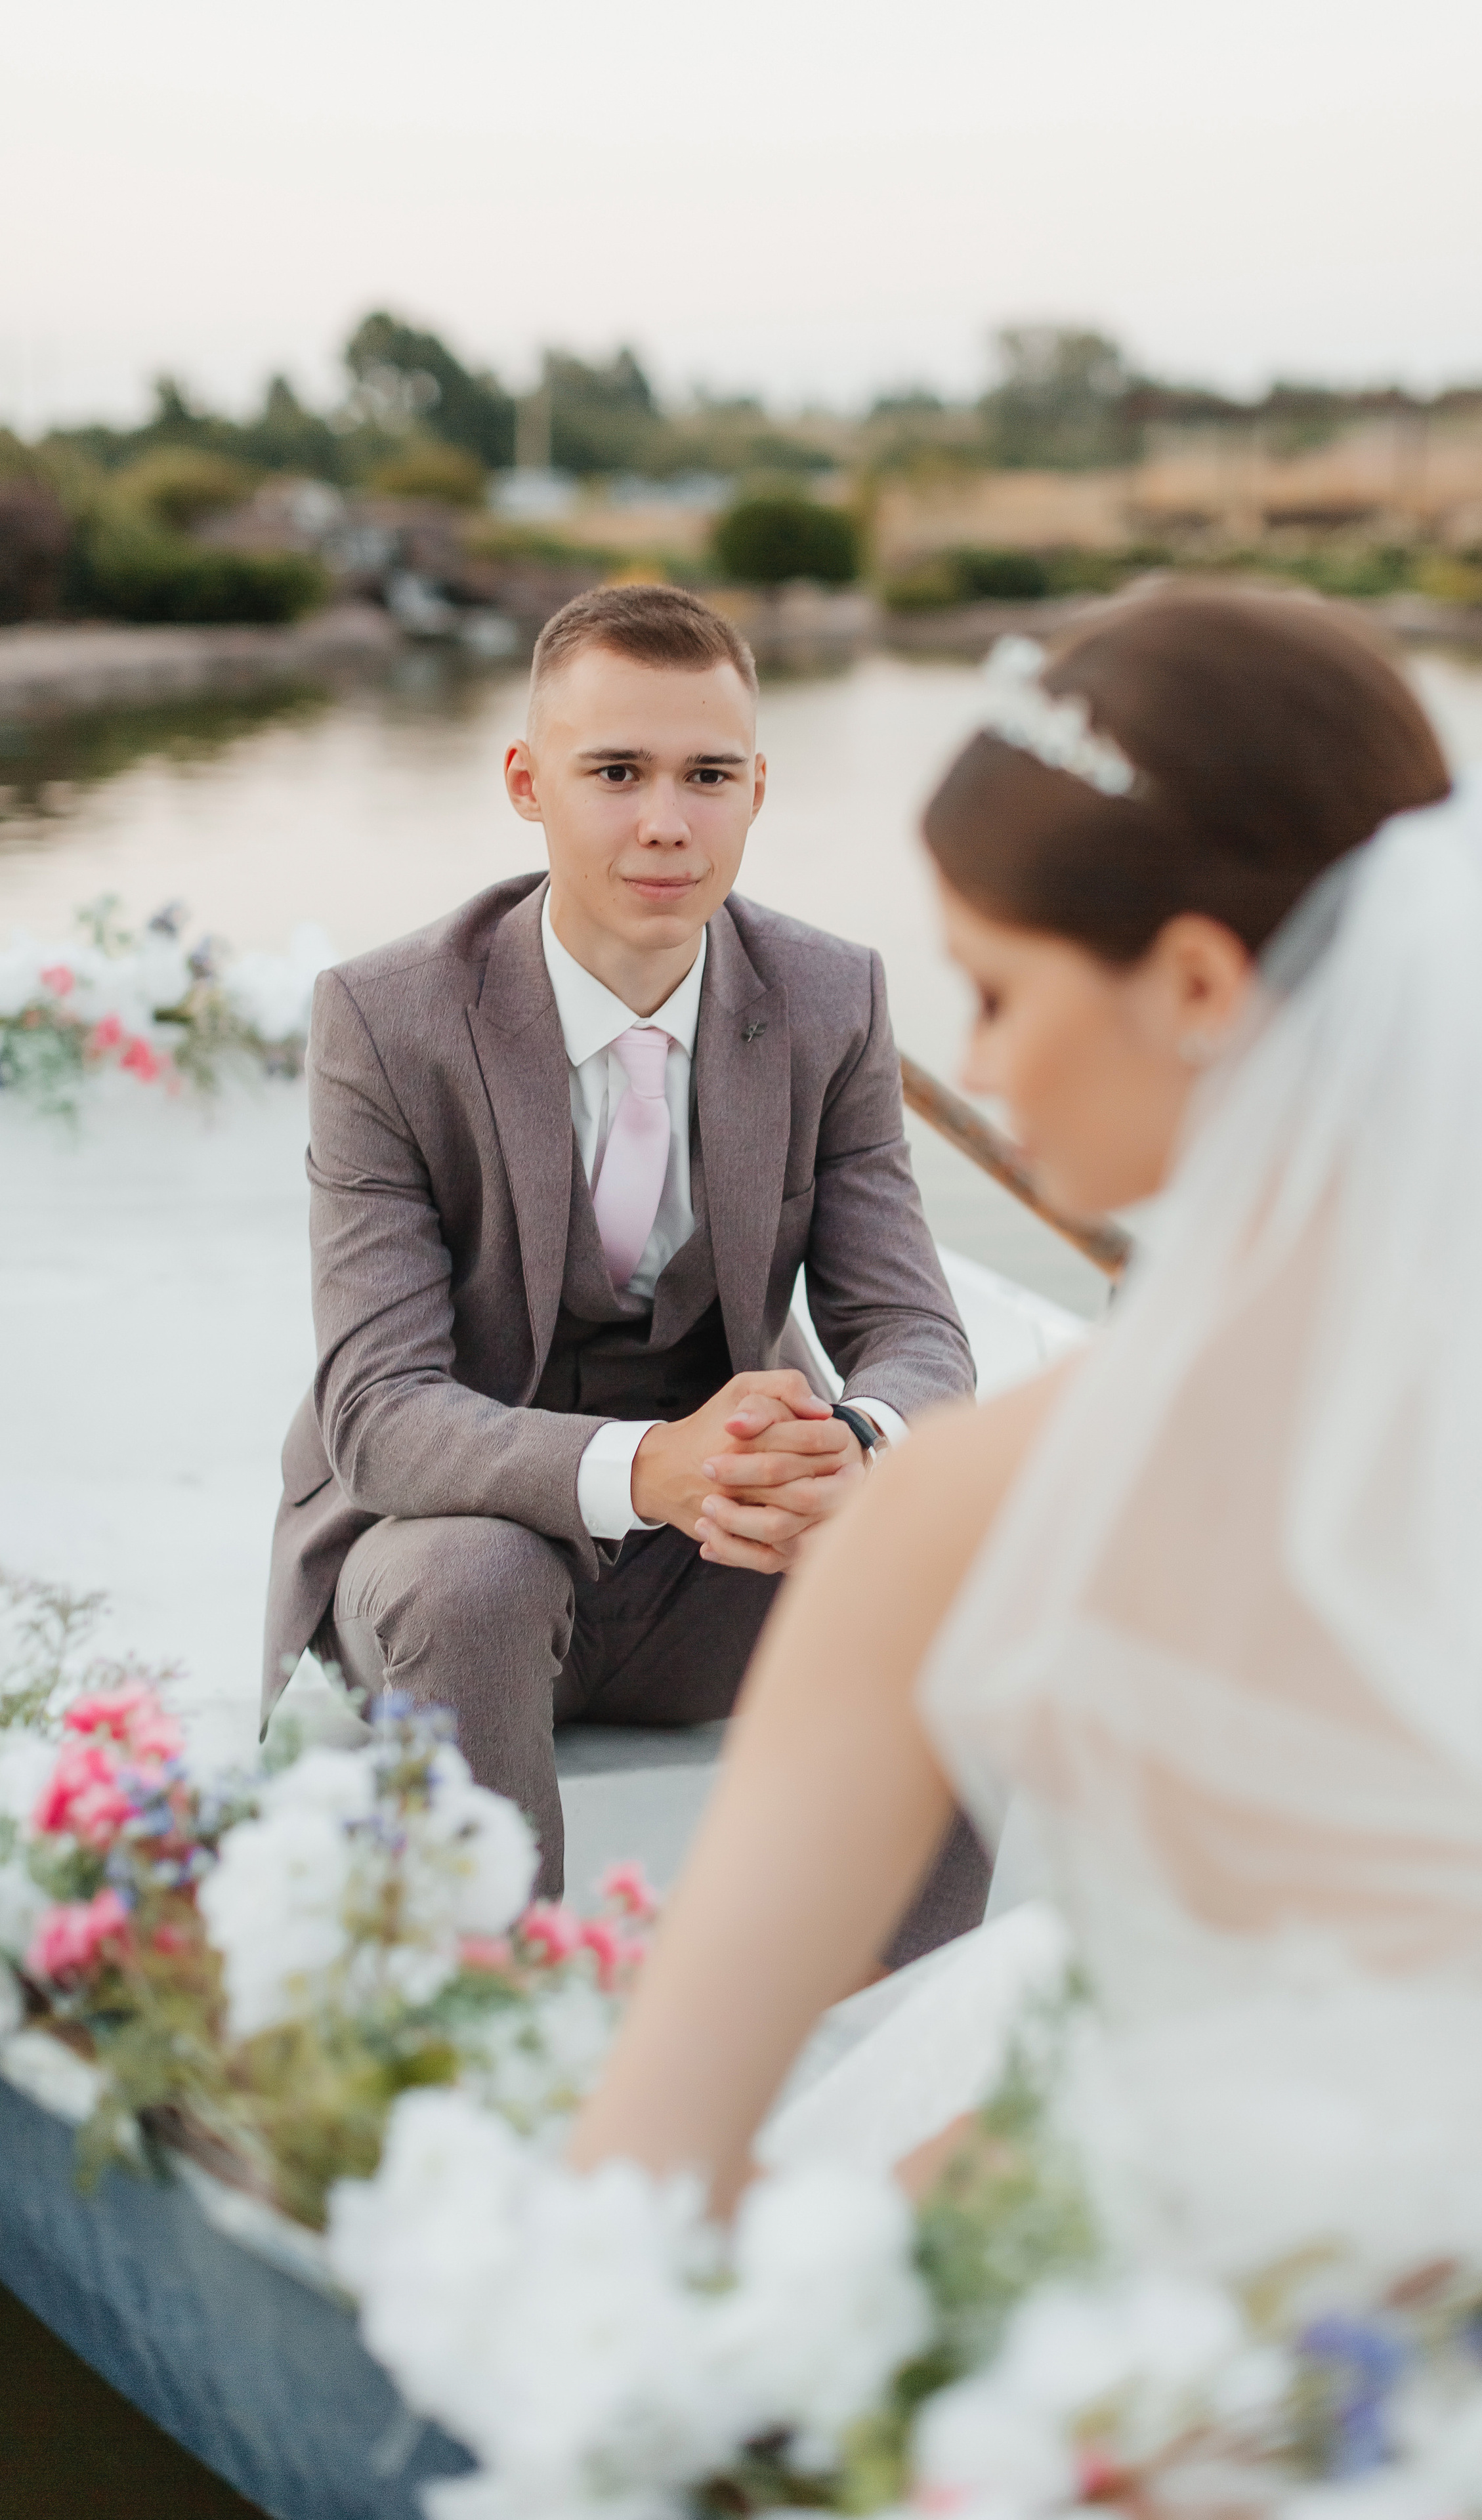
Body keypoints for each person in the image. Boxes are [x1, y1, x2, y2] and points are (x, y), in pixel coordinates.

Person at [560, 581, 1482, 2451]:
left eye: (997, 991)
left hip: (1186, 2406)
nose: (975, 1070)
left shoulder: (976, 1516)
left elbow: (645, 2181)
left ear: (1193, 985)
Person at [261, 584, 988, 1958]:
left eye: (707, 776)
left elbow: (912, 1336)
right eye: (615, 774)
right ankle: (492, 2023)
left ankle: (910, 2047)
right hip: (447, 1556)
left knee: (934, 1559)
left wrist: (855, 1446)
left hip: (711, 1569)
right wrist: (649, 1467)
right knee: (471, 1582)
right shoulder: (386, 1019)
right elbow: (375, 1410)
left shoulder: (831, 1000)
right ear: (529, 785)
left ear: (757, 790)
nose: (666, 820)